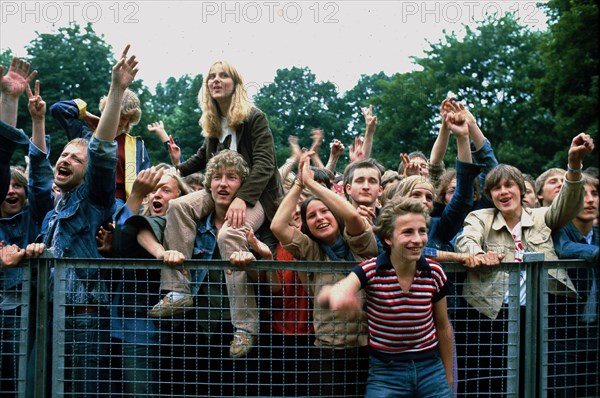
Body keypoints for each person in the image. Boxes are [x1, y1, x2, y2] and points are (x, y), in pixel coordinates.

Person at [26, 45, 139, 397]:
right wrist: (39, 120)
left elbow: (103, 153)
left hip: (85, 318)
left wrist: (116, 90)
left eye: (77, 158)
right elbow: (37, 177)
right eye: (64, 155)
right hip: (48, 315)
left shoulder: (93, 201)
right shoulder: (51, 210)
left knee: (82, 391)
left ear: (89, 173)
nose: (67, 160)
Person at [454, 132, 594, 396]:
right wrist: (475, 252)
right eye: (496, 188)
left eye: (510, 186)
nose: (504, 192)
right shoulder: (480, 217)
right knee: (495, 383)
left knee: (543, 381)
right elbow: (467, 239)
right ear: (490, 194)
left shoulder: (542, 216)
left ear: (521, 189)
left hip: (543, 314)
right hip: (493, 315)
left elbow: (569, 204)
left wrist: (574, 165)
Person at [159, 60, 282, 359]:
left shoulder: (254, 117)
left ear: (235, 83)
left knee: (229, 234)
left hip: (256, 195)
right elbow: (204, 157)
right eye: (211, 76)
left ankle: (245, 326)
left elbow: (266, 162)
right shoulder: (214, 122)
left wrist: (243, 198)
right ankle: (178, 291)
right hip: (221, 187)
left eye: (222, 75)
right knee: (178, 206)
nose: (215, 80)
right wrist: (175, 172)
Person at [317, 196, 453, 397]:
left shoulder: (434, 273)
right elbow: (333, 292)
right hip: (385, 372)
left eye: (422, 231)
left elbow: (442, 326)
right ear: (388, 238)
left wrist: (448, 376)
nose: (417, 239)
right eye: (407, 232)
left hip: (430, 369)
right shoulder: (371, 270)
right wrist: (336, 294)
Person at [271, 152, 378, 397]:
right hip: (326, 352)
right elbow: (278, 226)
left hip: (365, 350)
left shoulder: (359, 244)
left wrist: (313, 185)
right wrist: (299, 184)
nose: (319, 218)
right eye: (311, 216)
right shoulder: (312, 253)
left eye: (325, 212)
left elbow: (351, 215)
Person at [108, 166, 189, 397]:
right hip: (135, 329)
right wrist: (134, 197)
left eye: (165, 190)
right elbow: (124, 236)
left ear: (180, 199)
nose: (157, 195)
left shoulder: (185, 228)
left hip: (173, 334)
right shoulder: (140, 225)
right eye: (153, 191)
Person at [1, 62, 52, 397]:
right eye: (7, 186)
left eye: (17, 187)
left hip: (28, 313)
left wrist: (32, 119)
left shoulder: (35, 217)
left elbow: (40, 178)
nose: (11, 191)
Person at [49, 80, 150, 208]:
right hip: (82, 198)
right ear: (105, 111)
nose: (117, 120)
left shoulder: (136, 146)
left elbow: (144, 183)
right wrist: (86, 115)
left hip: (118, 204)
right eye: (113, 113)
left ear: (130, 120)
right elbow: (57, 109)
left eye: (124, 117)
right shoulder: (86, 135)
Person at [551, 173, 599, 398]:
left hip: (594, 334)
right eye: (582, 194)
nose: (590, 200)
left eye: (595, 194)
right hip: (563, 335)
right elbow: (564, 248)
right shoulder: (559, 231)